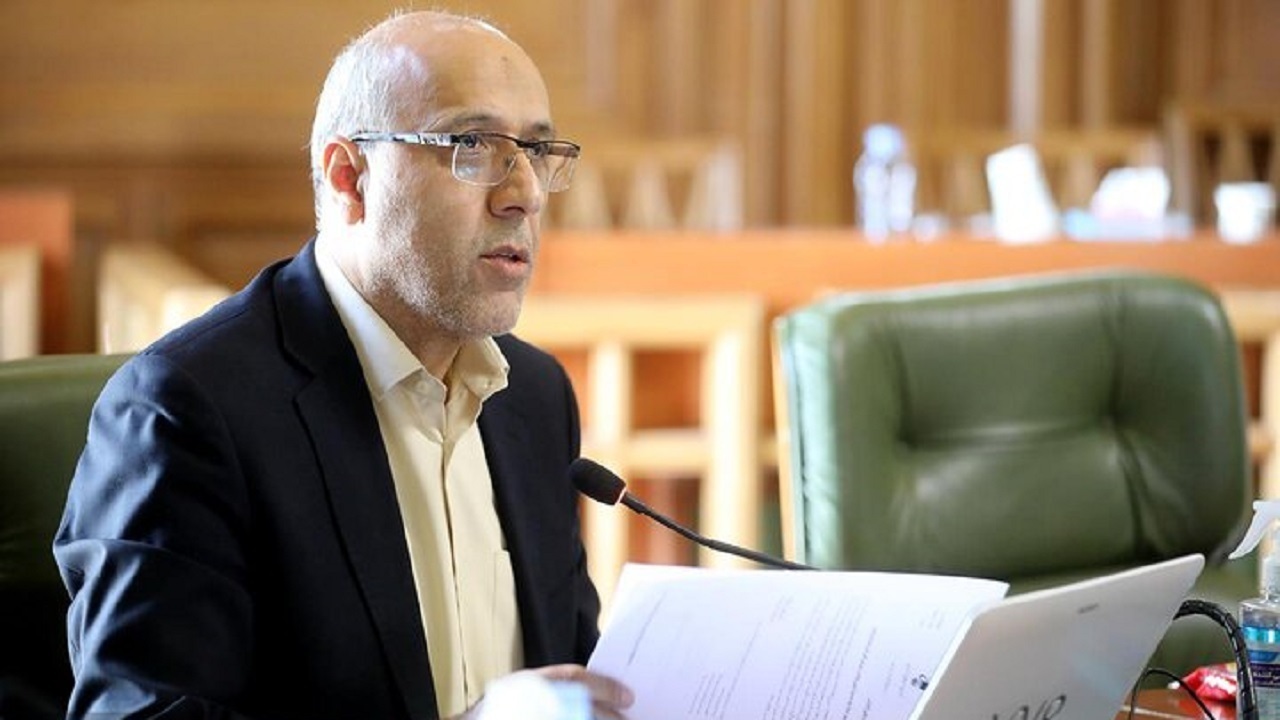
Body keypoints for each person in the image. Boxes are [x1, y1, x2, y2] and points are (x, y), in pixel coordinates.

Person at [53, 10, 633, 720]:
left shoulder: (534, 399)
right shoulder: (185, 409)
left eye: (537, 152)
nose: (525, 194)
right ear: (349, 177)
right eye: (472, 146)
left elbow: (566, 677)